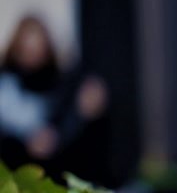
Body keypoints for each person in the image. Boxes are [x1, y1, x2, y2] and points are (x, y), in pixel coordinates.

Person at [0, 16, 106, 172]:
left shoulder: (60, 85)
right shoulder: (6, 83)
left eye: (37, 51)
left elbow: (68, 124)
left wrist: (58, 135)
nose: (32, 57)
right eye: (27, 51)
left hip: (54, 169)